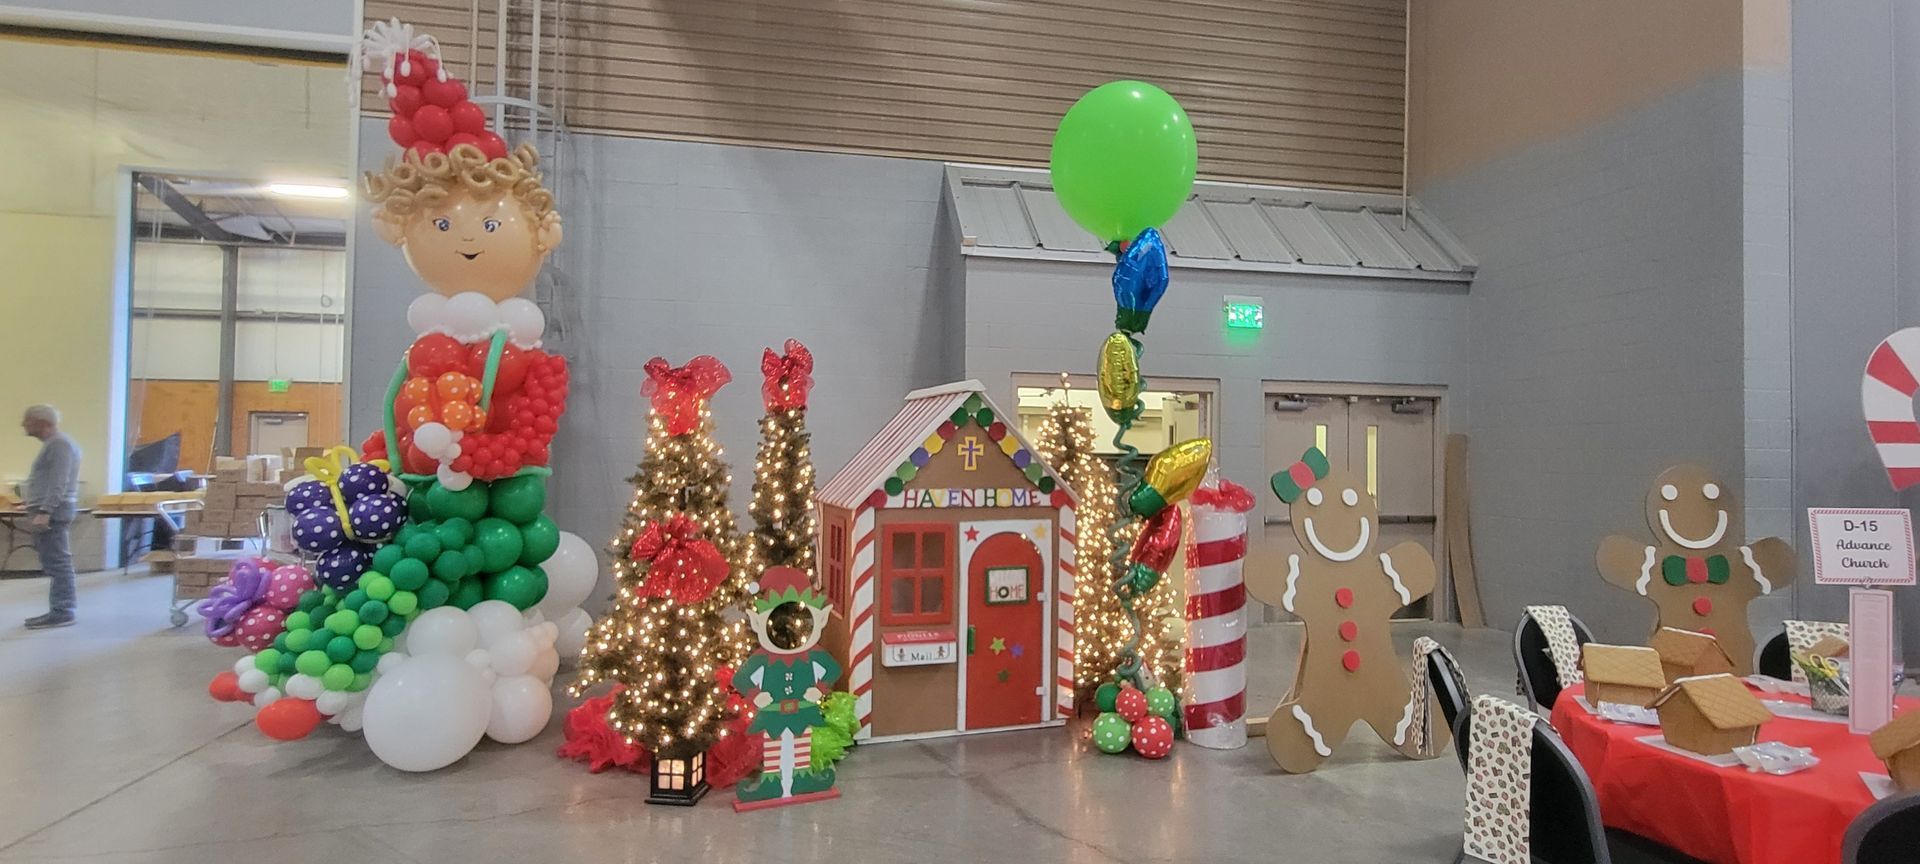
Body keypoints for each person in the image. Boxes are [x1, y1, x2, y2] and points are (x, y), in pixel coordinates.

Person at [20, 405, 79, 629]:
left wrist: (45, 511)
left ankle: (63, 611)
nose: (23, 424)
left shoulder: (59, 444)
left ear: (42, 422)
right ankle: (59, 609)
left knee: (58, 563)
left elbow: (58, 482)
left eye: (28, 420)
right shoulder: (54, 444)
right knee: (53, 562)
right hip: (48, 509)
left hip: (53, 512)